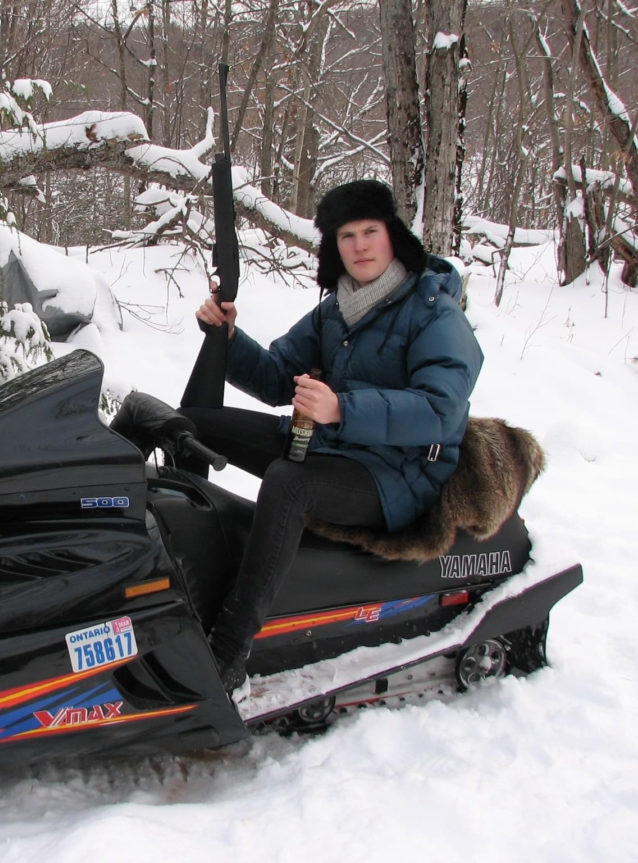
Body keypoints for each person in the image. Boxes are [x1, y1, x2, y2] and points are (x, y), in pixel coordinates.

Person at [183, 179, 483, 690]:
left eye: (371, 231)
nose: (360, 245)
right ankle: (175, 571)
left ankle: (228, 654)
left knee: (288, 482)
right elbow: (279, 376)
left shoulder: (433, 310)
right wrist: (230, 338)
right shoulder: (337, 307)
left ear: (394, 237)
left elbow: (440, 409)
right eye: (347, 236)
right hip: (332, 445)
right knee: (189, 424)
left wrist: (342, 408)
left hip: (401, 473)